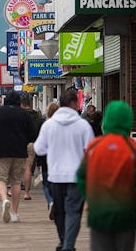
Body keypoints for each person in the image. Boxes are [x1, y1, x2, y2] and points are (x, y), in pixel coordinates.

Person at [76, 101, 136, 251]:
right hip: (125, 212)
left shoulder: (94, 146)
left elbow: (81, 177)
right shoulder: (133, 148)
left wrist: (88, 198)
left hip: (99, 212)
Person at [34, 90, 95, 251]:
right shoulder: (83, 125)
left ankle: (64, 243)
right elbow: (91, 152)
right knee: (74, 212)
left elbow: (39, 149)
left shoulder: (49, 125)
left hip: (55, 176)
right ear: (75, 104)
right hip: (77, 177)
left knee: (60, 213)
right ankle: (68, 245)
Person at [0, 91, 36, 223]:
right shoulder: (24, 114)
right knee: (16, 181)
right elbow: (33, 135)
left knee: (0, 178)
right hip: (19, 152)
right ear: (18, 101)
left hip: (0, 151)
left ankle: (4, 200)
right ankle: (14, 213)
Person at [20, 94, 43, 201]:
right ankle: (26, 193)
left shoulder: (19, 115)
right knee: (28, 167)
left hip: (20, 143)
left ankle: (16, 187)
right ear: (30, 104)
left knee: (17, 167)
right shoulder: (37, 116)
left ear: (21, 104)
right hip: (33, 143)